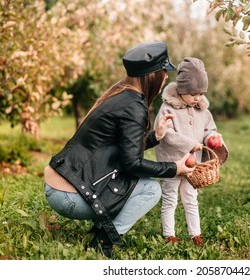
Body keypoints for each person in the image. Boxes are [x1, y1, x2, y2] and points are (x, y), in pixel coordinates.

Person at [43, 42, 195, 258]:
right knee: (151, 190)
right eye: (164, 71)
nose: (166, 77)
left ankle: (99, 227)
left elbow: (121, 148)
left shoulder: (121, 94)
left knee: (130, 183)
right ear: (152, 76)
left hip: (60, 184)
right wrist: (174, 168)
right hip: (68, 196)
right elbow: (131, 164)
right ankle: (101, 242)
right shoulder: (134, 107)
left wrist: (154, 137)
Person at [153, 57, 229, 246]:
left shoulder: (203, 110)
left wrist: (211, 138)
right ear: (181, 89)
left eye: (201, 93)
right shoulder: (168, 108)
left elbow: (209, 129)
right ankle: (169, 234)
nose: (197, 98)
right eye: (193, 93)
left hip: (192, 165)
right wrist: (189, 143)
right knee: (170, 199)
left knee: (191, 199)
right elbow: (166, 134)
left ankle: (195, 233)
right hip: (171, 162)